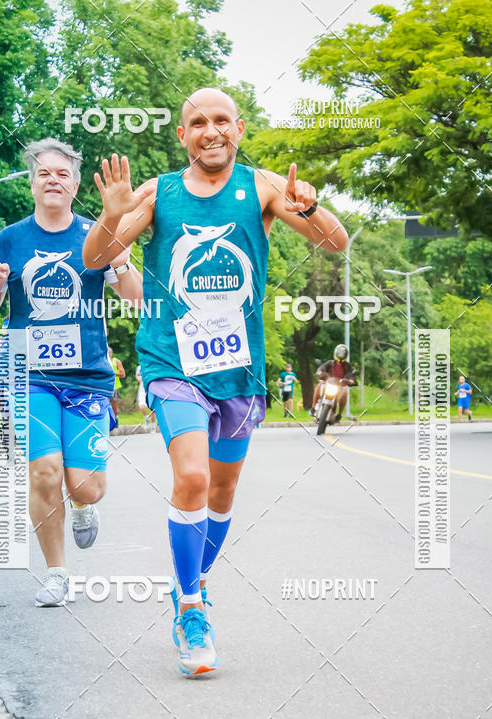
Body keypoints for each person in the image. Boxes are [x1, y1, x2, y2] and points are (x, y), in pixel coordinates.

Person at [82, 87, 347, 675]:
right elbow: (96, 260)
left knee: (223, 494)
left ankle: (187, 583)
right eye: (197, 122)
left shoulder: (264, 187)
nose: (210, 130)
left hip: (239, 370)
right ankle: (193, 611)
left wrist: (309, 208)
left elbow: (337, 241)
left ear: (239, 129)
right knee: (194, 476)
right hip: (171, 363)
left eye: (220, 120)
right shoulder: (157, 193)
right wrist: (109, 214)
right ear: (183, 135)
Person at [0, 137, 142, 607]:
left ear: (73, 185)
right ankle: (57, 573)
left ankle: (85, 507)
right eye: (43, 172)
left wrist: (122, 258)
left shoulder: (98, 234)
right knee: (44, 472)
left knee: (86, 484)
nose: (52, 180)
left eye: (61, 173)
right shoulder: (8, 240)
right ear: (32, 183)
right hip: (27, 374)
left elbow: (136, 298)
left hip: (87, 375)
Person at [311, 344, 357, 423]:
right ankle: (313, 407)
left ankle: (339, 414)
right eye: (339, 353)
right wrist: (320, 371)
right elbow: (322, 367)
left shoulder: (347, 366)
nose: (341, 355)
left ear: (345, 355)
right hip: (328, 384)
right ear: (336, 353)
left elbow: (351, 376)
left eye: (343, 354)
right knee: (319, 385)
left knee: (345, 392)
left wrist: (351, 381)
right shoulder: (330, 363)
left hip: (340, 386)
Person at [108, 346, 126, 425]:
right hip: (104, 387)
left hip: (115, 387)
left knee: (114, 406)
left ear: (111, 353)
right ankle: (108, 422)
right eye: (106, 352)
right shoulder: (103, 362)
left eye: (109, 352)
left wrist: (113, 373)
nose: (108, 354)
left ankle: (116, 419)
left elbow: (123, 374)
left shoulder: (116, 361)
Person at [136, 363, 156, 430]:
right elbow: (137, 376)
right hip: (142, 388)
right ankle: (146, 417)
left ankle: (153, 426)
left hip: (151, 388)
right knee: (141, 406)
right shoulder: (139, 367)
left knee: (152, 409)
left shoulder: (152, 366)